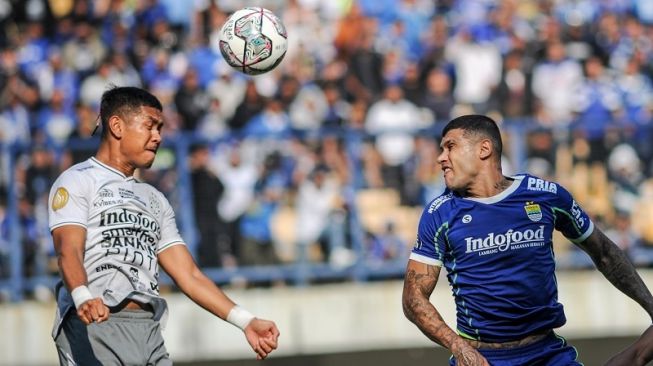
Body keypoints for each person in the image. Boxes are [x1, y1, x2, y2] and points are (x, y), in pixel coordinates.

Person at [48, 86, 280, 365]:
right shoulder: (77, 180)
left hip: (149, 332)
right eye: (150, 126)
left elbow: (189, 276)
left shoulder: (154, 199)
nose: (158, 136)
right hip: (95, 324)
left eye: (160, 128)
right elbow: (68, 250)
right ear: (117, 126)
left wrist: (246, 321)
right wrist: (83, 296)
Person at [401, 114, 653, 366]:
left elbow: (605, 253)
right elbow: (413, 298)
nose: (440, 157)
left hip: (547, 353)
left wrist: (651, 307)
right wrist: (458, 346)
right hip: (483, 358)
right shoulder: (440, 213)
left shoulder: (545, 196)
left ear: (484, 149)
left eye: (450, 146)